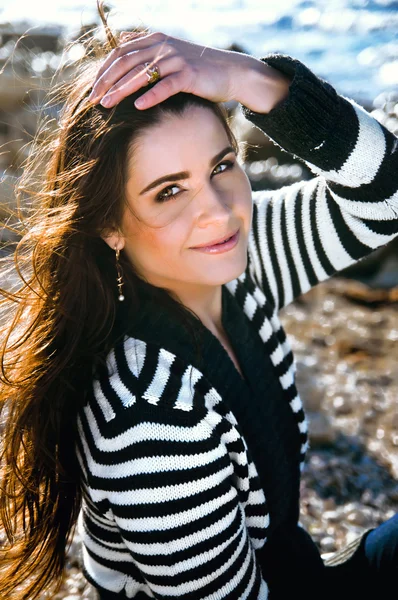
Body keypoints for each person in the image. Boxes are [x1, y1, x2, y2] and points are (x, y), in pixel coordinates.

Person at [0, 4, 397, 600]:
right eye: (168, 192)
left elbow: (386, 197)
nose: (217, 209)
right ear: (110, 224)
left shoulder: (233, 262)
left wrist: (251, 80)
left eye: (222, 165)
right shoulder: (149, 418)